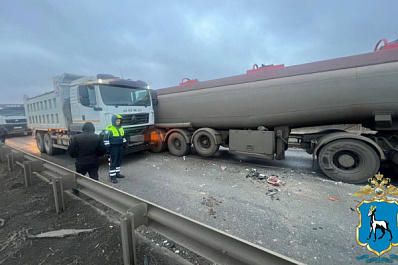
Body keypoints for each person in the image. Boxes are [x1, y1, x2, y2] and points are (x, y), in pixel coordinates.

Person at [103, 114, 127, 183]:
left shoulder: (121, 128)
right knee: (113, 161)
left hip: (120, 146)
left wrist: (126, 144)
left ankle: (117, 173)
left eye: (119, 121)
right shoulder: (109, 128)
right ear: (114, 121)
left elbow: (123, 137)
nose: (118, 122)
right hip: (113, 147)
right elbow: (106, 139)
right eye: (117, 121)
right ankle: (112, 176)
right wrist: (108, 148)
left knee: (119, 160)